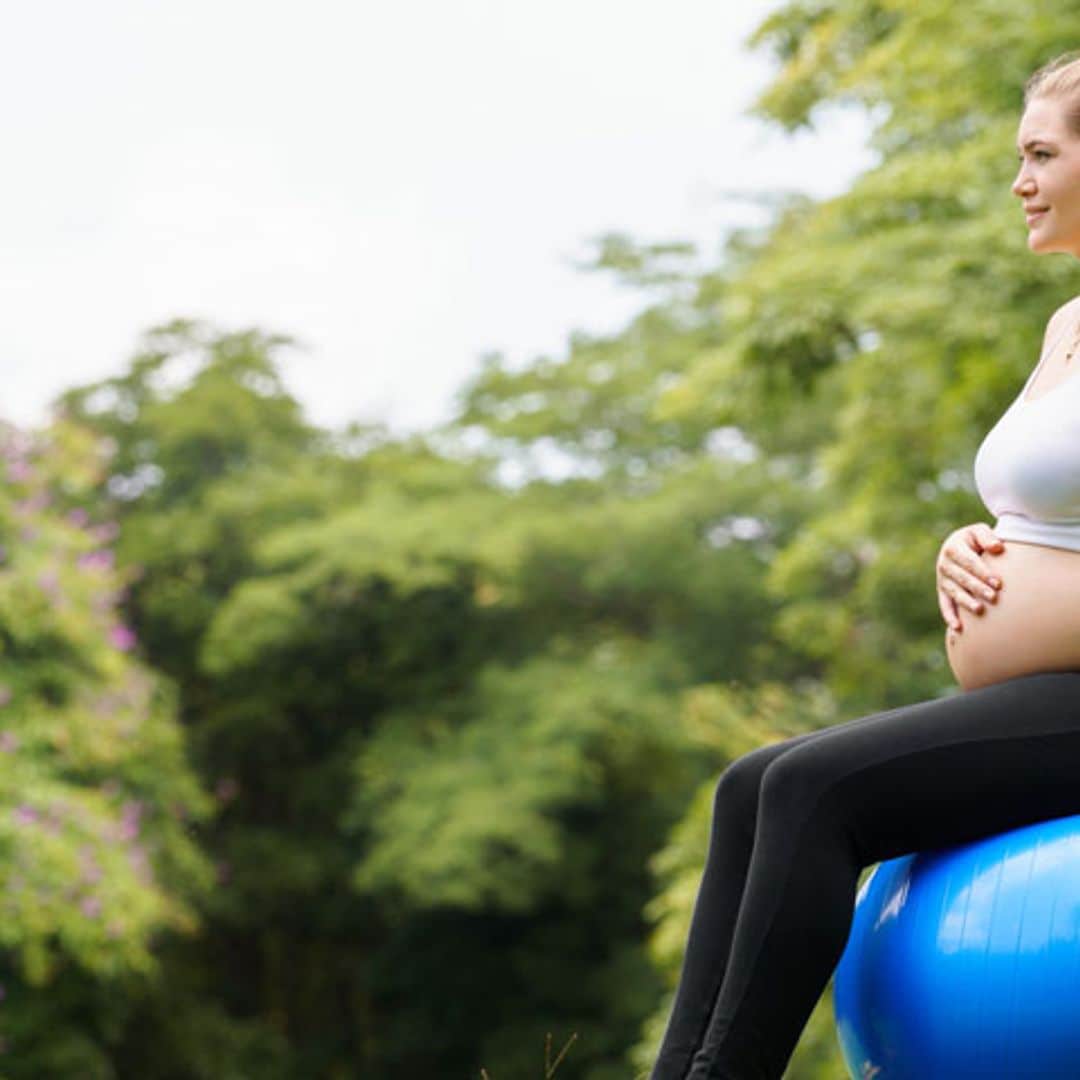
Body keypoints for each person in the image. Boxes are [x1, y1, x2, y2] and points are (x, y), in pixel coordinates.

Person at [648, 50, 1080, 1079]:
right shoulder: (1067, 324)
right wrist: (975, 544)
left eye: (1041, 154)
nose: (1018, 181)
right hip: (1047, 687)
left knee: (811, 789)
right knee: (749, 784)